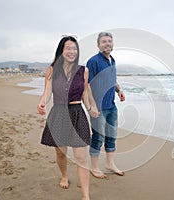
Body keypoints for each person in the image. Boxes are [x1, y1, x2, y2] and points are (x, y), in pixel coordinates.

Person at [37, 36, 98, 200]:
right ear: (61, 51)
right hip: (59, 113)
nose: (72, 51)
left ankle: (85, 196)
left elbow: (84, 93)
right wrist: (42, 103)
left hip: (77, 113)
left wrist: (91, 108)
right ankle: (64, 175)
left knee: (81, 158)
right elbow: (47, 91)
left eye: (74, 48)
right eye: (68, 48)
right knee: (61, 154)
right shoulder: (52, 70)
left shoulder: (83, 70)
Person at [87, 32, 125, 179]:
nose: (107, 43)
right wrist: (92, 106)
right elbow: (87, 85)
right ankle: (95, 168)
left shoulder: (112, 60)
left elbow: (113, 80)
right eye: (104, 41)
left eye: (110, 41)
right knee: (98, 137)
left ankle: (110, 164)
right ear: (98, 45)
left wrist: (119, 90)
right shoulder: (93, 61)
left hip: (111, 106)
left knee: (111, 136)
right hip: (98, 107)